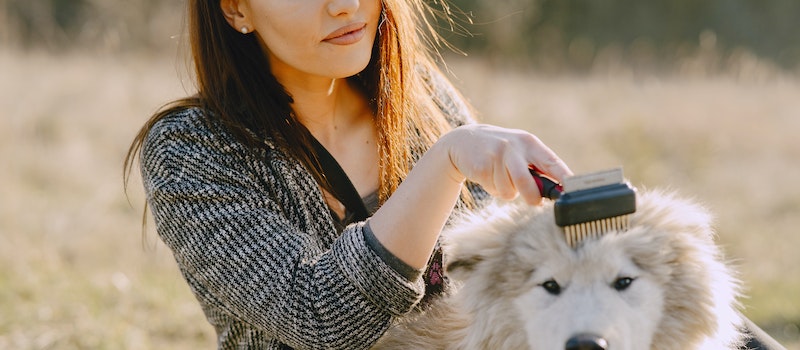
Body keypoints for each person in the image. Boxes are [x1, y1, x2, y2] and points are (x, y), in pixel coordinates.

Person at [124, 1, 782, 349]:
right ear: (235, 8)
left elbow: (492, 268)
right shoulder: (192, 150)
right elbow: (319, 320)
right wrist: (446, 161)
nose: (345, 4)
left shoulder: (415, 97)